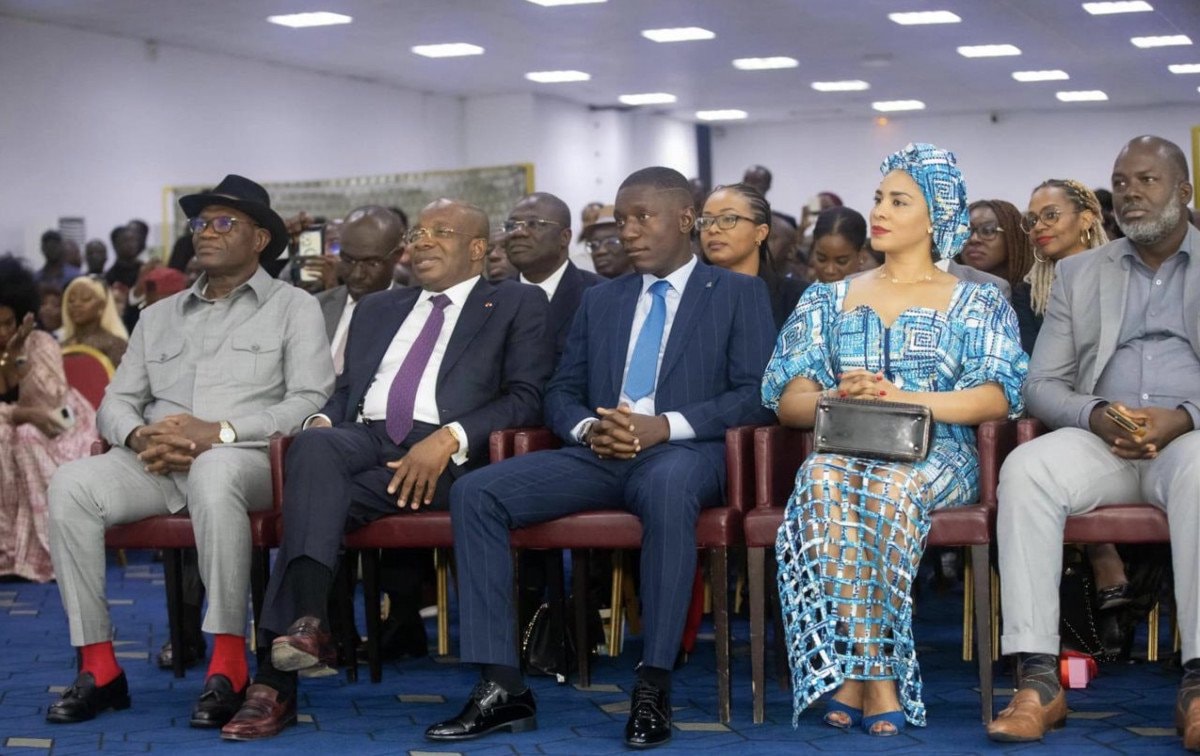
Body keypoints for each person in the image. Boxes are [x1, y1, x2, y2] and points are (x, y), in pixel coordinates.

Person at [430, 167, 776, 749]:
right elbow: (560, 391)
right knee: (476, 492)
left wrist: (663, 427)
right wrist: (591, 428)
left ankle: (653, 682)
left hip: (685, 452)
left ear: (685, 220)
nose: (628, 232)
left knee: (667, 489)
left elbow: (756, 393)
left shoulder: (738, 293)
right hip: (600, 453)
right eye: (621, 220)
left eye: (643, 217)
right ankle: (502, 686)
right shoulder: (602, 300)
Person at [221, 198, 553, 742]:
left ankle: (273, 682)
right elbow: (349, 391)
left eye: (440, 232)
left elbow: (526, 396)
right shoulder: (379, 308)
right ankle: (309, 622)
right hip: (366, 436)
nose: (423, 242)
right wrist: (323, 420)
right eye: (418, 233)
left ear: (478, 248)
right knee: (313, 447)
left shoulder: (516, 301)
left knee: (311, 506)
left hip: (443, 454)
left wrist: (450, 437)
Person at [44, 174, 333, 729]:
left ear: (260, 239)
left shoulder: (293, 307)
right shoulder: (158, 316)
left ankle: (228, 663)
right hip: (155, 461)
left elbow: (308, 400)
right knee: (71, 483)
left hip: (248, 459)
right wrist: (139, 435)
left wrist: (218, 432)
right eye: (200, 222)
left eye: (225, 222)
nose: (206, 232)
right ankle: (99, 667)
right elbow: (116, 401)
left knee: (215, 471)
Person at [763, 142, 1026, 736]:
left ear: (936, 216)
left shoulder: (977, 299)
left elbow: (996, 396)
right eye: (879, 197)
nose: (879, 211)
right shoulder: (827, 297)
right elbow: (788, 403)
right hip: (845, 448)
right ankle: (876, 669)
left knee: (886, 487)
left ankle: (862, 673)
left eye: (899, 201)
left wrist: (901, 398)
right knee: (819, 476)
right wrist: (839, 394)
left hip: (941, 451)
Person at [987, 136, 1200, 748]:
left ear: (1184, 192)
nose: (1130, 193)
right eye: (1121, 182)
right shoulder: (1081, 274)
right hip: (1102, 439)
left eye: (1147, 180)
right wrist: (1097, 413)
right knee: (1026, 468)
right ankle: (1037, 680)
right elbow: (1041, 385)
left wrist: (1184, 417)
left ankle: (1197, 685)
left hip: (1189, 440)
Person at [0, 256, 98, 582]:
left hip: (61, 427)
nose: (3, 332)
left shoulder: (40, 342)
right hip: (18, 424)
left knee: (25, 436)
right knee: (6, 435)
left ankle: (51, 549)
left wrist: (19, 354)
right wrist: (18, 414)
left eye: (8, 323)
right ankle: (8, 550)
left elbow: (52, 401)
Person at [1014, 178, 1107, 354]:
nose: (1038, 227)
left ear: (1086, 219)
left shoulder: (1121, 275)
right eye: (1032, 220)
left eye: (1050, 215)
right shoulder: (1028, 294)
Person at [503, 192, 601, 358]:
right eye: (512, 226)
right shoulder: (493, 298)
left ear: (564, 237)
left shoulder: (599, 295)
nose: (518, 233)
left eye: (534, 224)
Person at [698, 182, 806, 328]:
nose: (712, 229)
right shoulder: (689, 295)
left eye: (728, 219)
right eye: (705, 221)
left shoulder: (801, 298)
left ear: (760, 233)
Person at [316, 205, 405, 375]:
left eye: (372, 263)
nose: (357, 274)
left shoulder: (414, 313)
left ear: (397, 255)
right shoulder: (315, 307)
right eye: (348, 260)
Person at [961, 199, 1036, 294]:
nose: (974, 239)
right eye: (966, 231)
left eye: (987, 230)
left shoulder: (1037, 294)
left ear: (1012, 237)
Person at [61, 276, 129, 369]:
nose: (76, 304)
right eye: (71, 300)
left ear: (101, 306)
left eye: (85, 299)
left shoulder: (116, 345)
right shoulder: (62, 346)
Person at [810, 206, 868, 284]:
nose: (830, 270)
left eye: (841, 262)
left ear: (862, 256)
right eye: (821, 259)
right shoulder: (799, 291)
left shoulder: (879, 291)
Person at [580, 205, 632, 279]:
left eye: (611, 242)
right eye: (594, 245)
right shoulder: (589, 286)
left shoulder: (647, 284)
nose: (600, 251)